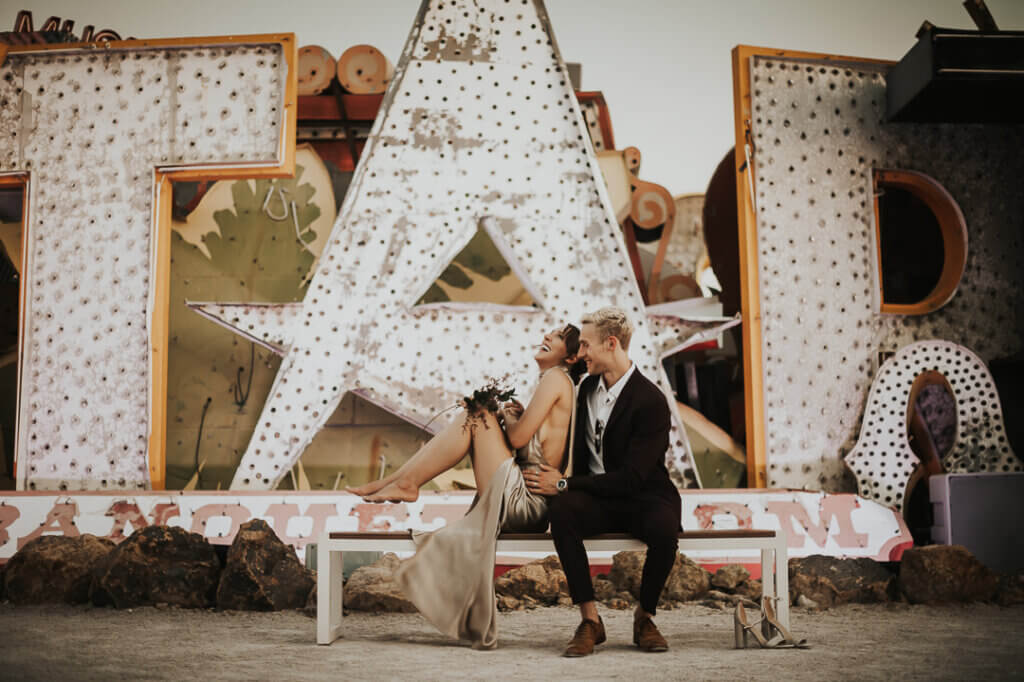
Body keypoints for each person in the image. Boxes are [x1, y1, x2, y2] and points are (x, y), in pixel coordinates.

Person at [347, 324, 584, 649]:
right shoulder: (559, 382)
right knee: (474, 414)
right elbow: (532, 442)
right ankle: (399, 482)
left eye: (556, 337)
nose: (547, 337)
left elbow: (517, 439)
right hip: (524, 495)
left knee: (476, 413)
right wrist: (515, 414)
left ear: (570, 356)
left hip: (527, 501)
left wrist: (508, 417)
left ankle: (403, 483)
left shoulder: (556, 378)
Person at [525, 307, 681, 657]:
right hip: (596, 497)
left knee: (664, 528)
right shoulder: (586, 387)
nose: (580, 354)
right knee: (562, 513)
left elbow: (631, 478)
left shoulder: (651, 401)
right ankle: (591, 621)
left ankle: (645, 617)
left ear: (611, 344)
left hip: (643, 496)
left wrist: (564, 484)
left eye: (585, 346)